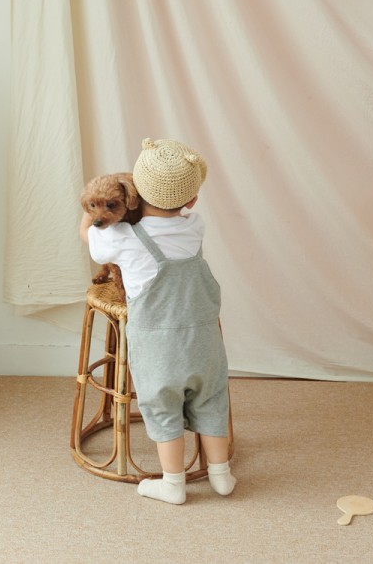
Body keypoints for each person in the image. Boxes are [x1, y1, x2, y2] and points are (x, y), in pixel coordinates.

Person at [79, 138, 236, 504]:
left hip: (157, 345)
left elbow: (89, 236)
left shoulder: (122, 236)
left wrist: (89, 211)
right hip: (203, 338)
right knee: (211, 399)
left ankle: (173, 484)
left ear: (132, 195)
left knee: (162, 406)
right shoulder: (194, 224)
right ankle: (221, 475)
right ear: (191, 200)